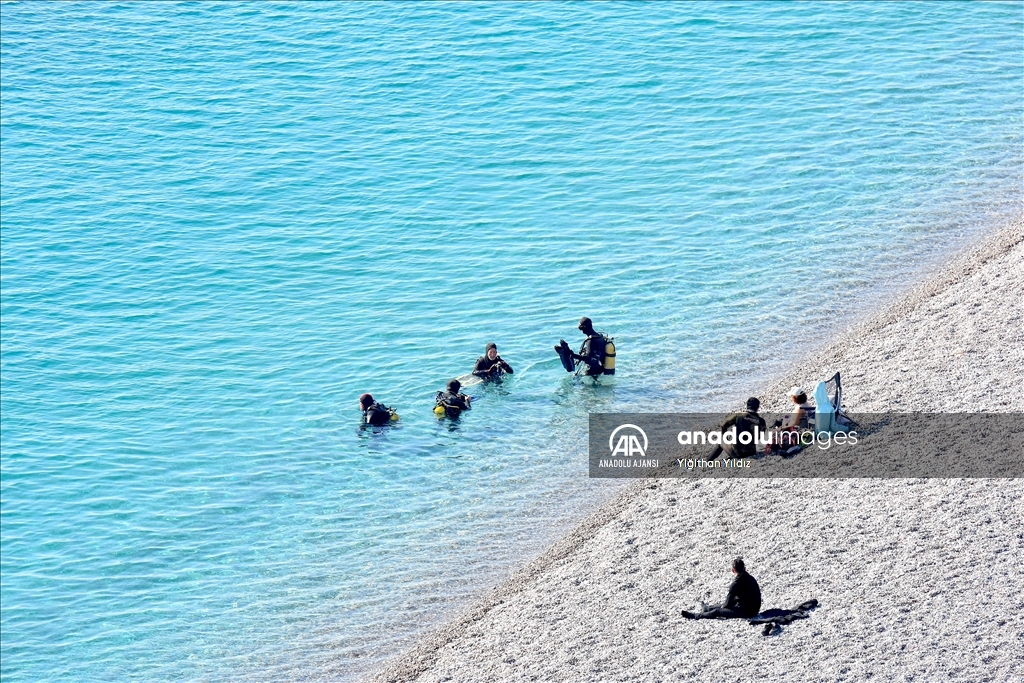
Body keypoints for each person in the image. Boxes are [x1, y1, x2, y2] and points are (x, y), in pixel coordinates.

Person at [681, 558, 762, 620]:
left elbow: (727, 604)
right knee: (725, 605)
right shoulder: (751, 578)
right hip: (755, 609)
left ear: (733, 570)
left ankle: (695, 616)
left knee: (717, 611)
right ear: (745, 568)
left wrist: (725, 606)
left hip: (746, 613)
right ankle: (707, 608)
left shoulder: (736, 584)